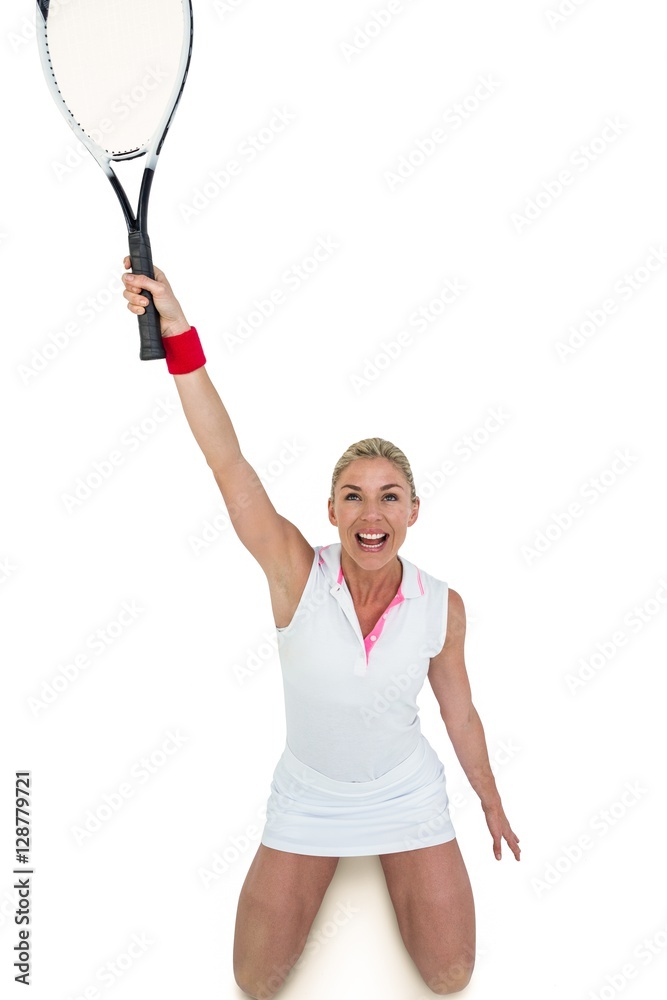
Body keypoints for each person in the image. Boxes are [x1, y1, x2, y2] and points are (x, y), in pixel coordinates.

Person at [122, 259, 521, 999]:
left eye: (389, 497)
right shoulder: (294, 573)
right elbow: (227, 462)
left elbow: (459, 713)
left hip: (404, 795)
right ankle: (334, 859)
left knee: (450, 976)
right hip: (309, 796)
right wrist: (175, 326)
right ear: (331, 511)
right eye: (353, 497)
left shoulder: (443, 606)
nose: (372, 514)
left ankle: (388, 859)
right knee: (255, 981)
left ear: (412, 512)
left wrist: (490, 801)